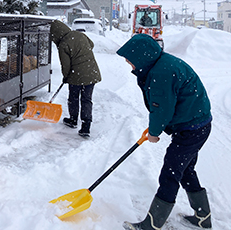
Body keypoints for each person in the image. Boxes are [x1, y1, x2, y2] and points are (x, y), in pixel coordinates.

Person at [117, 34, 212, 230]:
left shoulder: (161, 73)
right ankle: (203, 217)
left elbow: (161, 108)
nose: (130, 65)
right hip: (196, 124)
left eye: (131, 61)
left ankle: (153, 224)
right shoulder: (162, 64)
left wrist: (154, 132)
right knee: (185, 170)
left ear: (142, 57)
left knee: (171, 172)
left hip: (191, 128)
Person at [50, 19, 101, 137]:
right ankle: (86, 126)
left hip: (76, 76)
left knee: (73, 97)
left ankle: (73, 120)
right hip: (91, 72)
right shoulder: (80, 35)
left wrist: (66, 77)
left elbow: (65, 65)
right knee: (86, 99)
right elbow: (91, 44)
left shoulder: (63, 44)